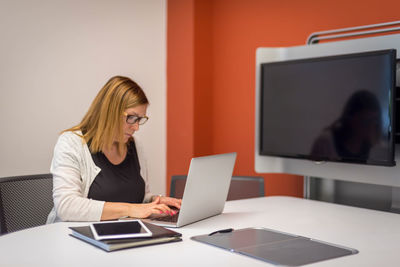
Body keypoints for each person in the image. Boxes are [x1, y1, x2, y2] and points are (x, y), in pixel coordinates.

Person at [47, 76, 181, 223]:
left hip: (124, 235)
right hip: (77, 237)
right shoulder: (71, 143)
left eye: (140, 119)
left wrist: (156, 202)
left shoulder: (136, 146)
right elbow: (67, 206)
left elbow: (139, 197)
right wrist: (130, 209)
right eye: (132, 118)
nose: (136, 127)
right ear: (109, 112)